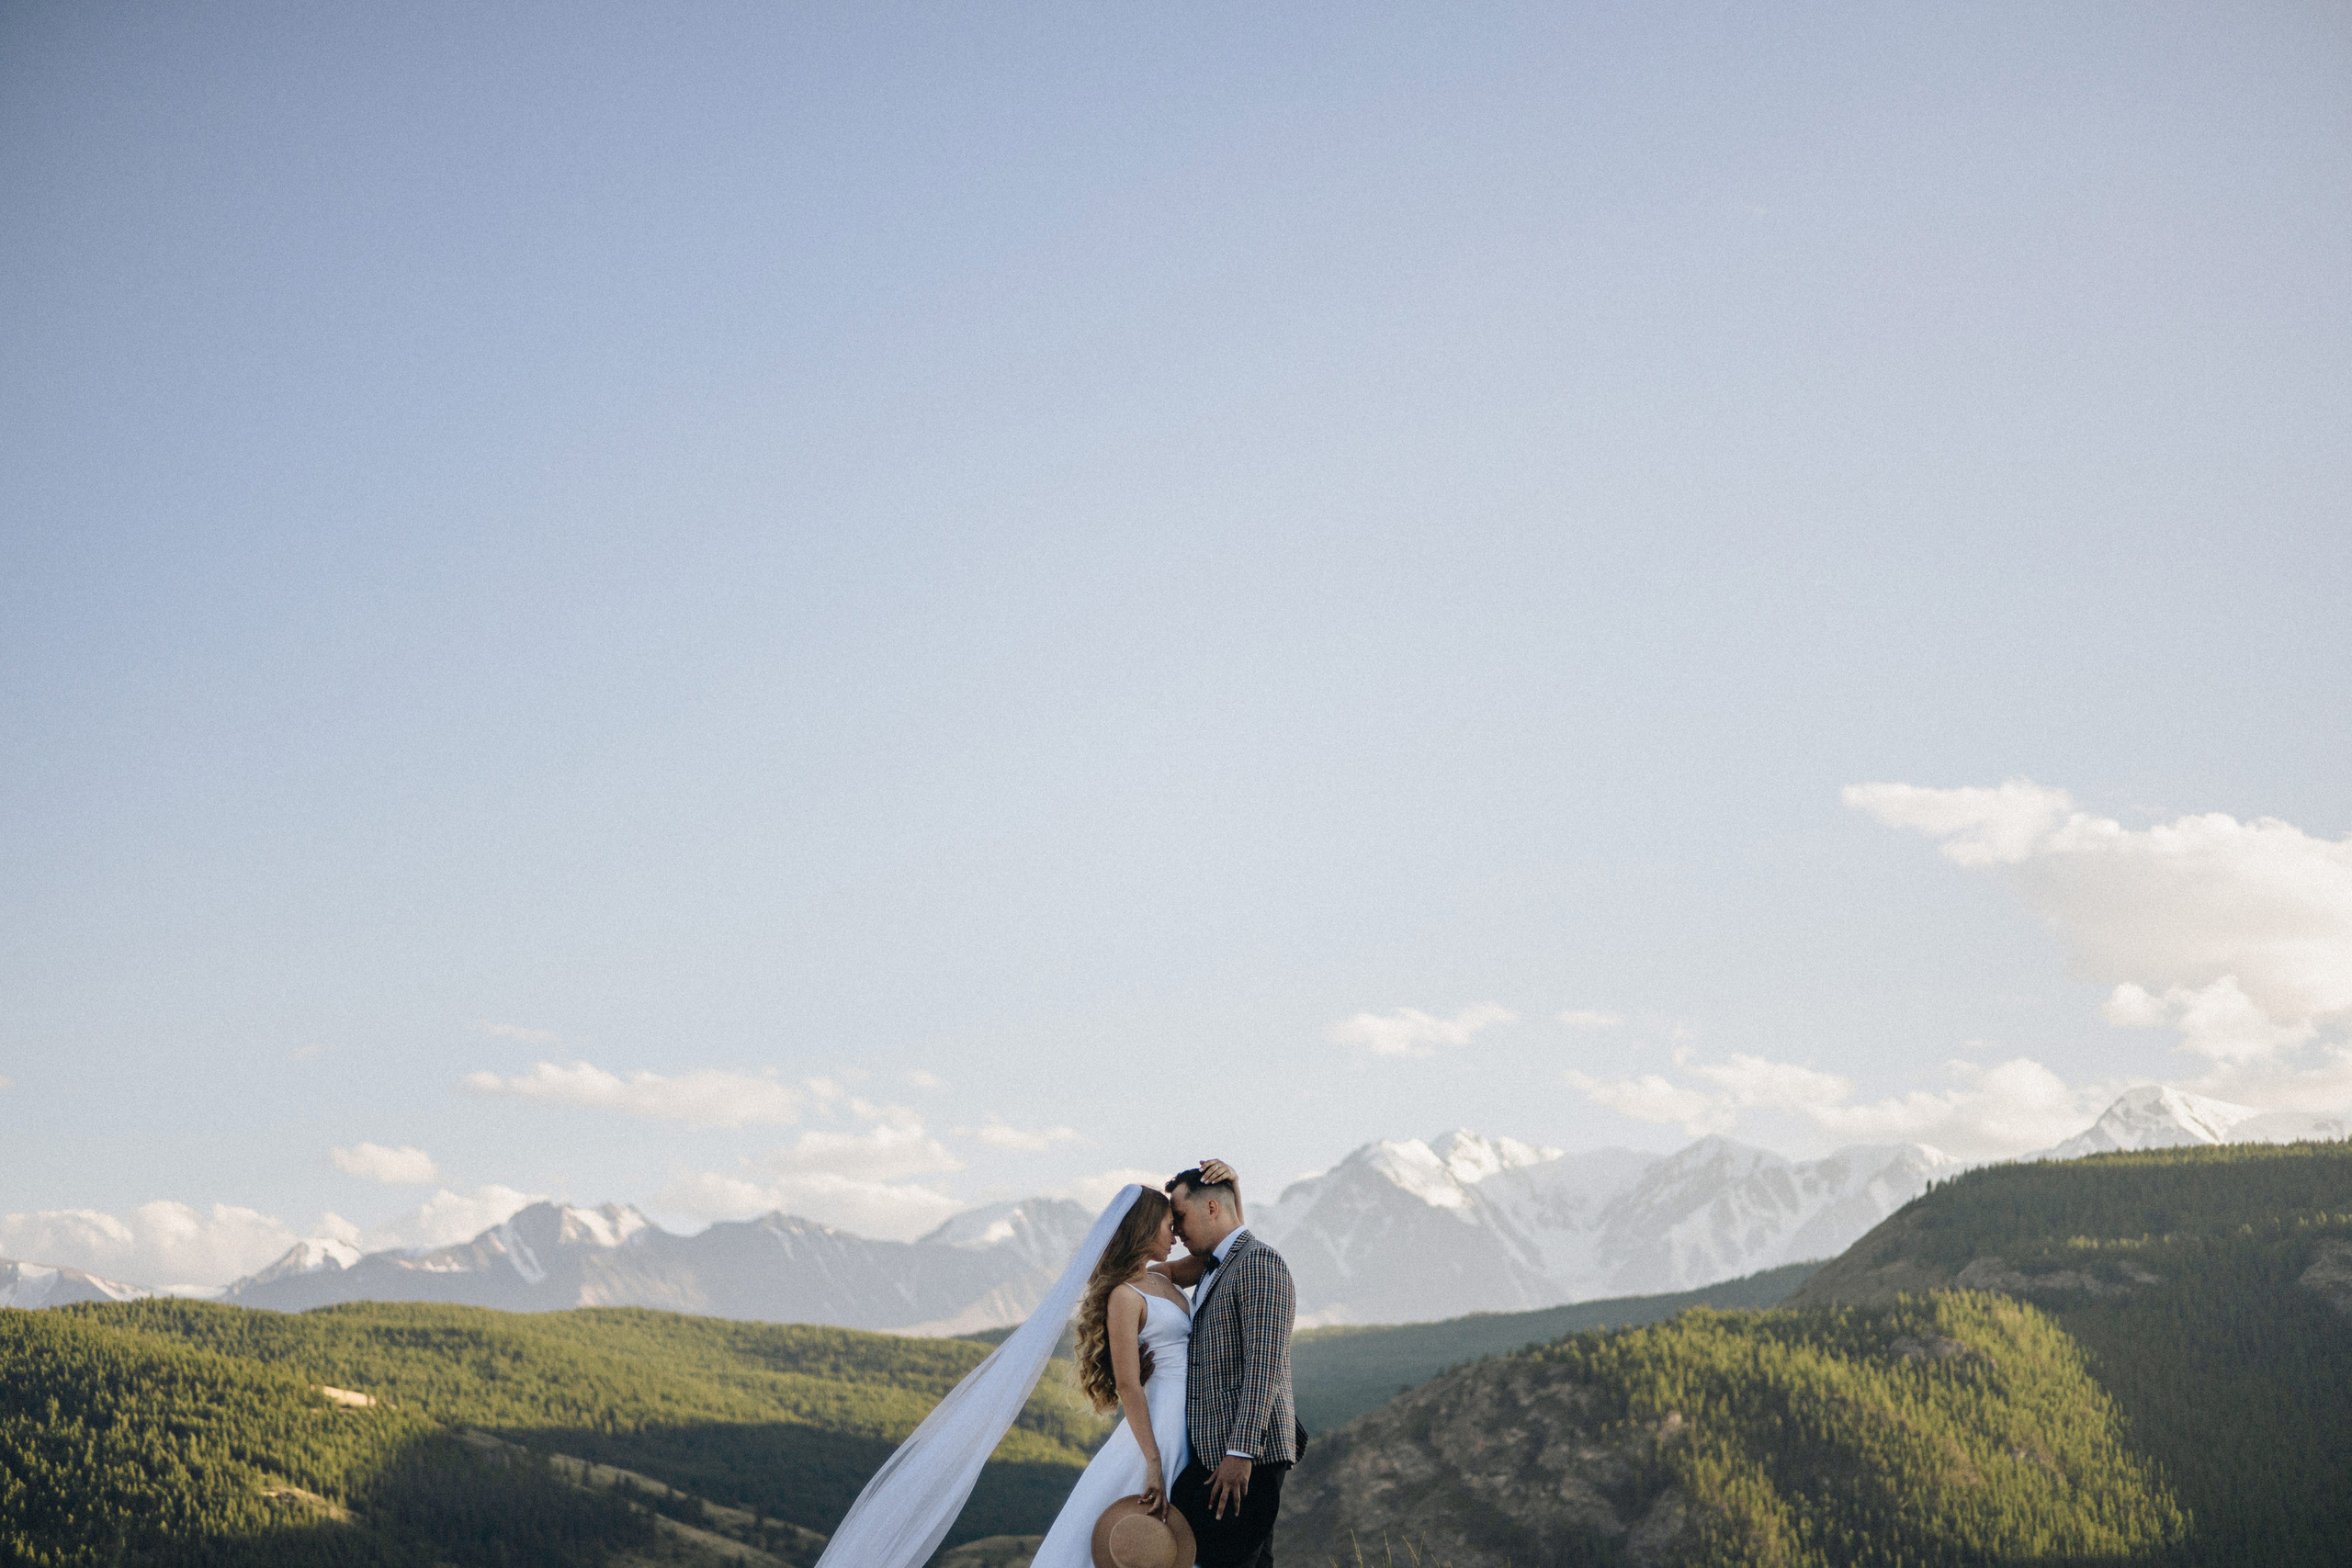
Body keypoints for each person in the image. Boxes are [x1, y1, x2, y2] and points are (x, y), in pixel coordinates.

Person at [1027, 1187, 1193, 1565]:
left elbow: (1230, 1255)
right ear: (1145, 1229)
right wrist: (1153, 1460)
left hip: (1191, 1413)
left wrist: (1233, 1190)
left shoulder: (1164, 1278)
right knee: (1142, 1531)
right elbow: (1127, 1384)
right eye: (1169, 1226)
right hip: (1163, 1420)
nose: (1175, 1236)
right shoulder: (1125, 1296)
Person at [1159, 1163, 1297, 1568]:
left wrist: (1240, 1453)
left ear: (1213, 1208)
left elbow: (1264, 1365)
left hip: (1246, 1458)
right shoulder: (1215, 1266)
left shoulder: (1259, 1264)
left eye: (1180, 1217)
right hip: (1216, 1457)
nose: (1176, 1231)